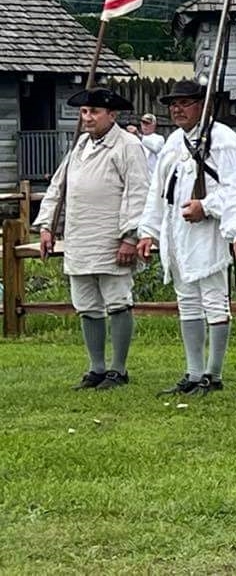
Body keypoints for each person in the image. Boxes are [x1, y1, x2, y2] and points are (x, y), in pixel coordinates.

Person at [137, 79, 236, 396]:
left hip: (209, 232)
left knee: (214, 301)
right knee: (187, 303)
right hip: (177, 232)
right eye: (174, 104)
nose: (177, 109)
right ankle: (193, 371)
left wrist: (208, 206)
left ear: (203, 105)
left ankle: (212, 375)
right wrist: (148, 230)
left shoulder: (224, 141)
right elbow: (158, 193)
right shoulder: (173, 142)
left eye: (185, 102)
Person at [34, 87, 150, 390]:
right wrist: (46, 226)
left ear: (111, 115)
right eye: (84, 112)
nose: (87, 118)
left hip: (111, 237)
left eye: (94, 112)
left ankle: (118, 369)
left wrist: (129, 236)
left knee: (117, 301)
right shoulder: (80, 146)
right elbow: (57, 188)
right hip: (79, 236)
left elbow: (138, 192)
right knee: (87, 304)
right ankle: (96, 367)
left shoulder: (128, 145)